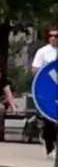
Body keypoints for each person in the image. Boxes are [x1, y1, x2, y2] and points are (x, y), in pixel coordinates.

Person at [31, 27, 58, 159]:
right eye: (50, 36)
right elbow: (35, 70)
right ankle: (50, 147)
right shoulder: (43, 52)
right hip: (48, 90)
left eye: (56, 36)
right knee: (50, 119)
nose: (53, 38)